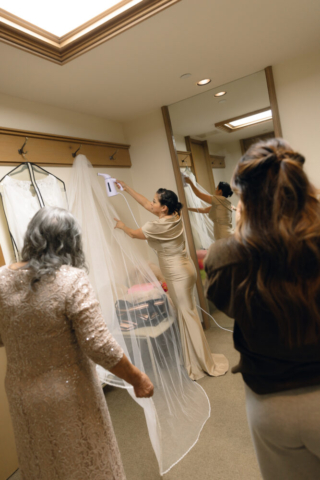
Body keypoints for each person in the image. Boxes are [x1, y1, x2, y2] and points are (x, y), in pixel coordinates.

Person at [0, 207, 153, 480]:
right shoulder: (70, 279)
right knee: (85, 460)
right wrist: (137, 378)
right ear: (70, 242)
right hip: (68, 393)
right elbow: (98, 344)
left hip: (21, 392)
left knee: (41, 460)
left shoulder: (1, 278)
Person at [204, 139, 320, 480]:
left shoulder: (224, 257)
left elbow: (227, 306)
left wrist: (243, 231)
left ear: (245, 200)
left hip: (271, 405)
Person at [114, 181, 228, 381]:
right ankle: (193, 355)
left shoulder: (156, 226)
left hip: (176, 275)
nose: (151, 203)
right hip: (187, 269)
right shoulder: (175, 216)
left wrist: (122, 226)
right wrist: (127, 188)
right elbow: (146, 205)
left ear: (163, 207)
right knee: (188, 313)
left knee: (187, 314)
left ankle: (202, 361)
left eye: (154, 201)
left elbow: (133, 234)